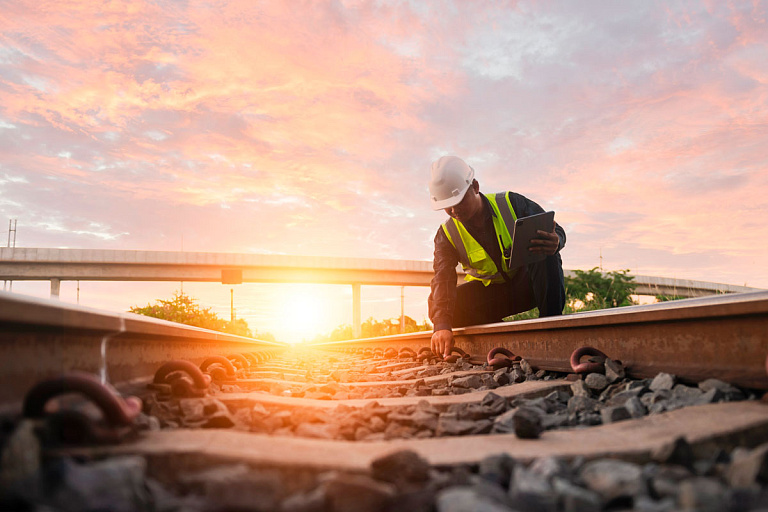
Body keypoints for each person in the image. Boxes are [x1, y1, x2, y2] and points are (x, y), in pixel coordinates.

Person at [428, 155, 566, 358]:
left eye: (458, 201)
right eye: (448, 207)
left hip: (529, 287)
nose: (454, 210)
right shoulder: (446, 235)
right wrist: (441, 325)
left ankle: (550, 325)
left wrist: (557, 240)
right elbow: (442, 278)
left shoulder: (511, 203)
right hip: (493, 297)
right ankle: (503, 333)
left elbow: (554, 229)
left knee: (545, 249)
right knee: (439, 305)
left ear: (475, 187)